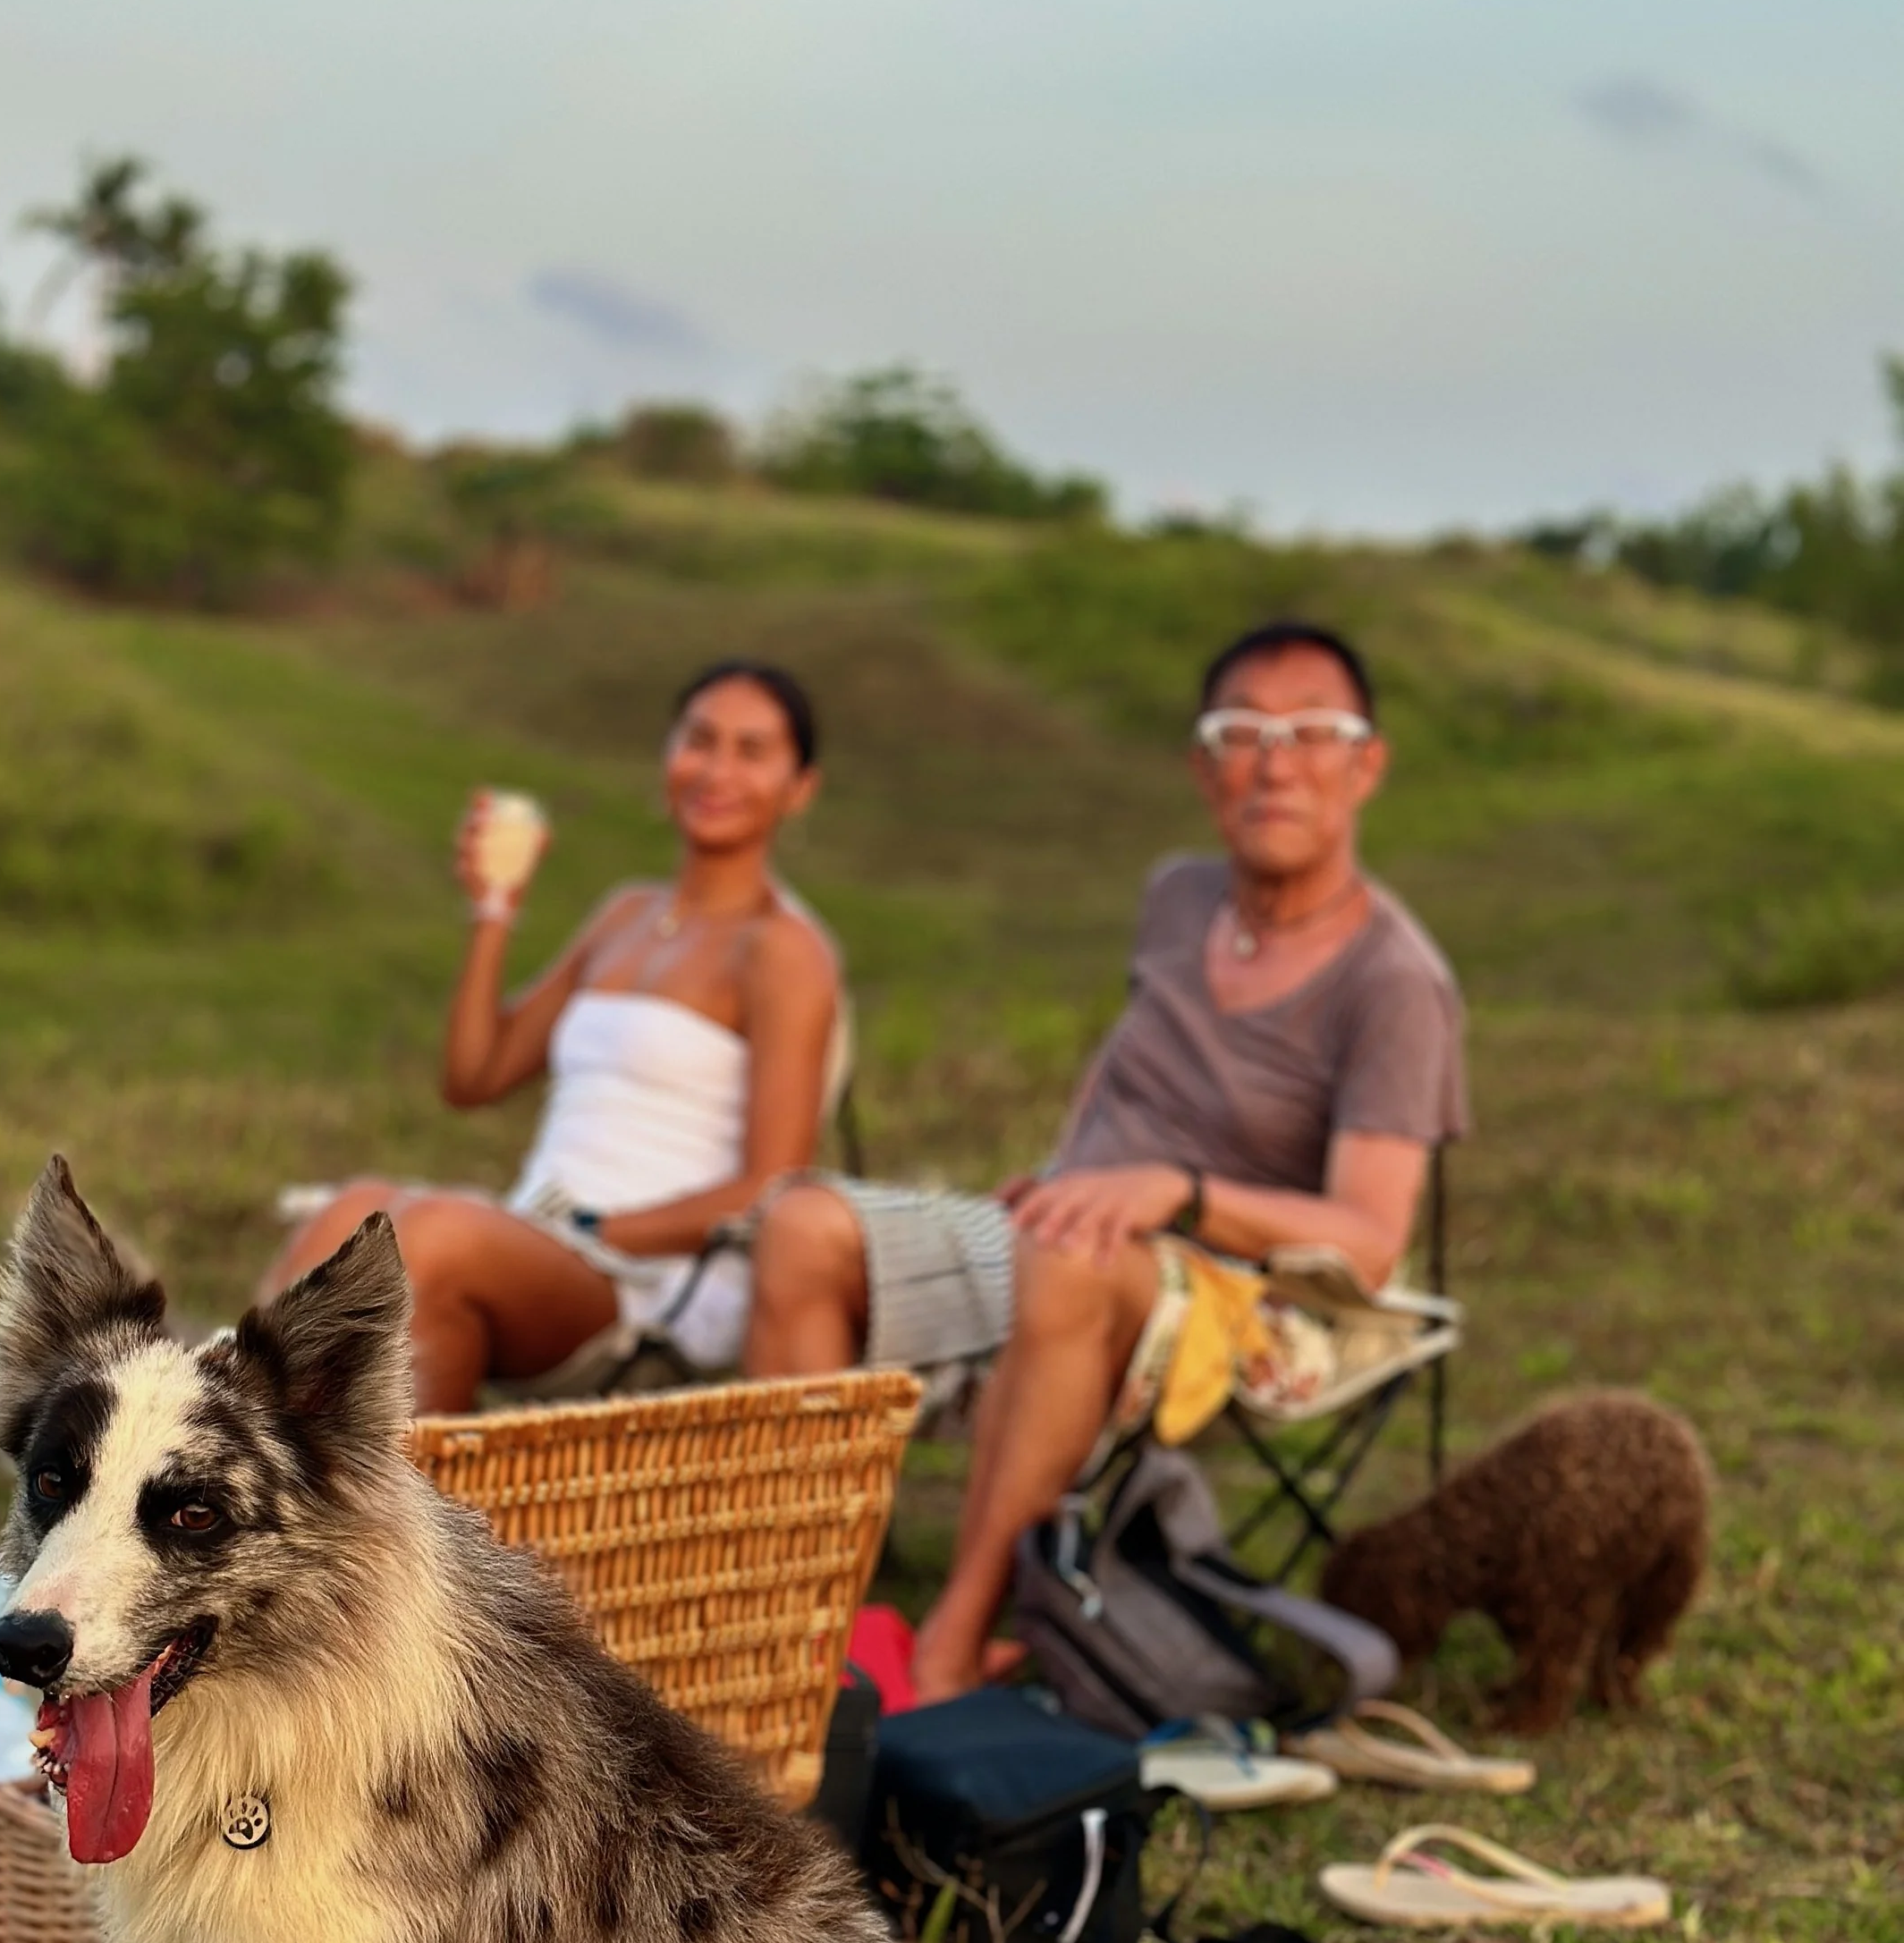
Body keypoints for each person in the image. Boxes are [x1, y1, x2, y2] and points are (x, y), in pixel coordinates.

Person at [744, 620, 1467, 1702]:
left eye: (1312, 731)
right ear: (1202, 768)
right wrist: (1073, 1160)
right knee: (802, 1224)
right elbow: (1133, 1055)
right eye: (1241, 732)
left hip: (1223, 1283)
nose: (1273, 760)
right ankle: (798, 1627)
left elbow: (1367, 1240)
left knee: (1071, 1263)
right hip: (1074, 1223)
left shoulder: (1394, 981)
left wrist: (1177, 1192)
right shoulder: (1177, 897)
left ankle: (956, 1644)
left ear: (1366, 765)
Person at [259, 661, 842, 1412]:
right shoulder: (624, 915)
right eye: (700, 740)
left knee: (434, 1231)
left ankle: (281, 1478)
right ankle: (252, 1457)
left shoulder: (782, 949)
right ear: (669, 754)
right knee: (352, 1210)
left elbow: (775, 1184)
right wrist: (493, 909)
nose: (717, 769)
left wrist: (597, 1226)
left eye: (752, 751)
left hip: (649, 1280)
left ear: (800, 788)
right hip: (538, 1241)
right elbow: (474, 1077)